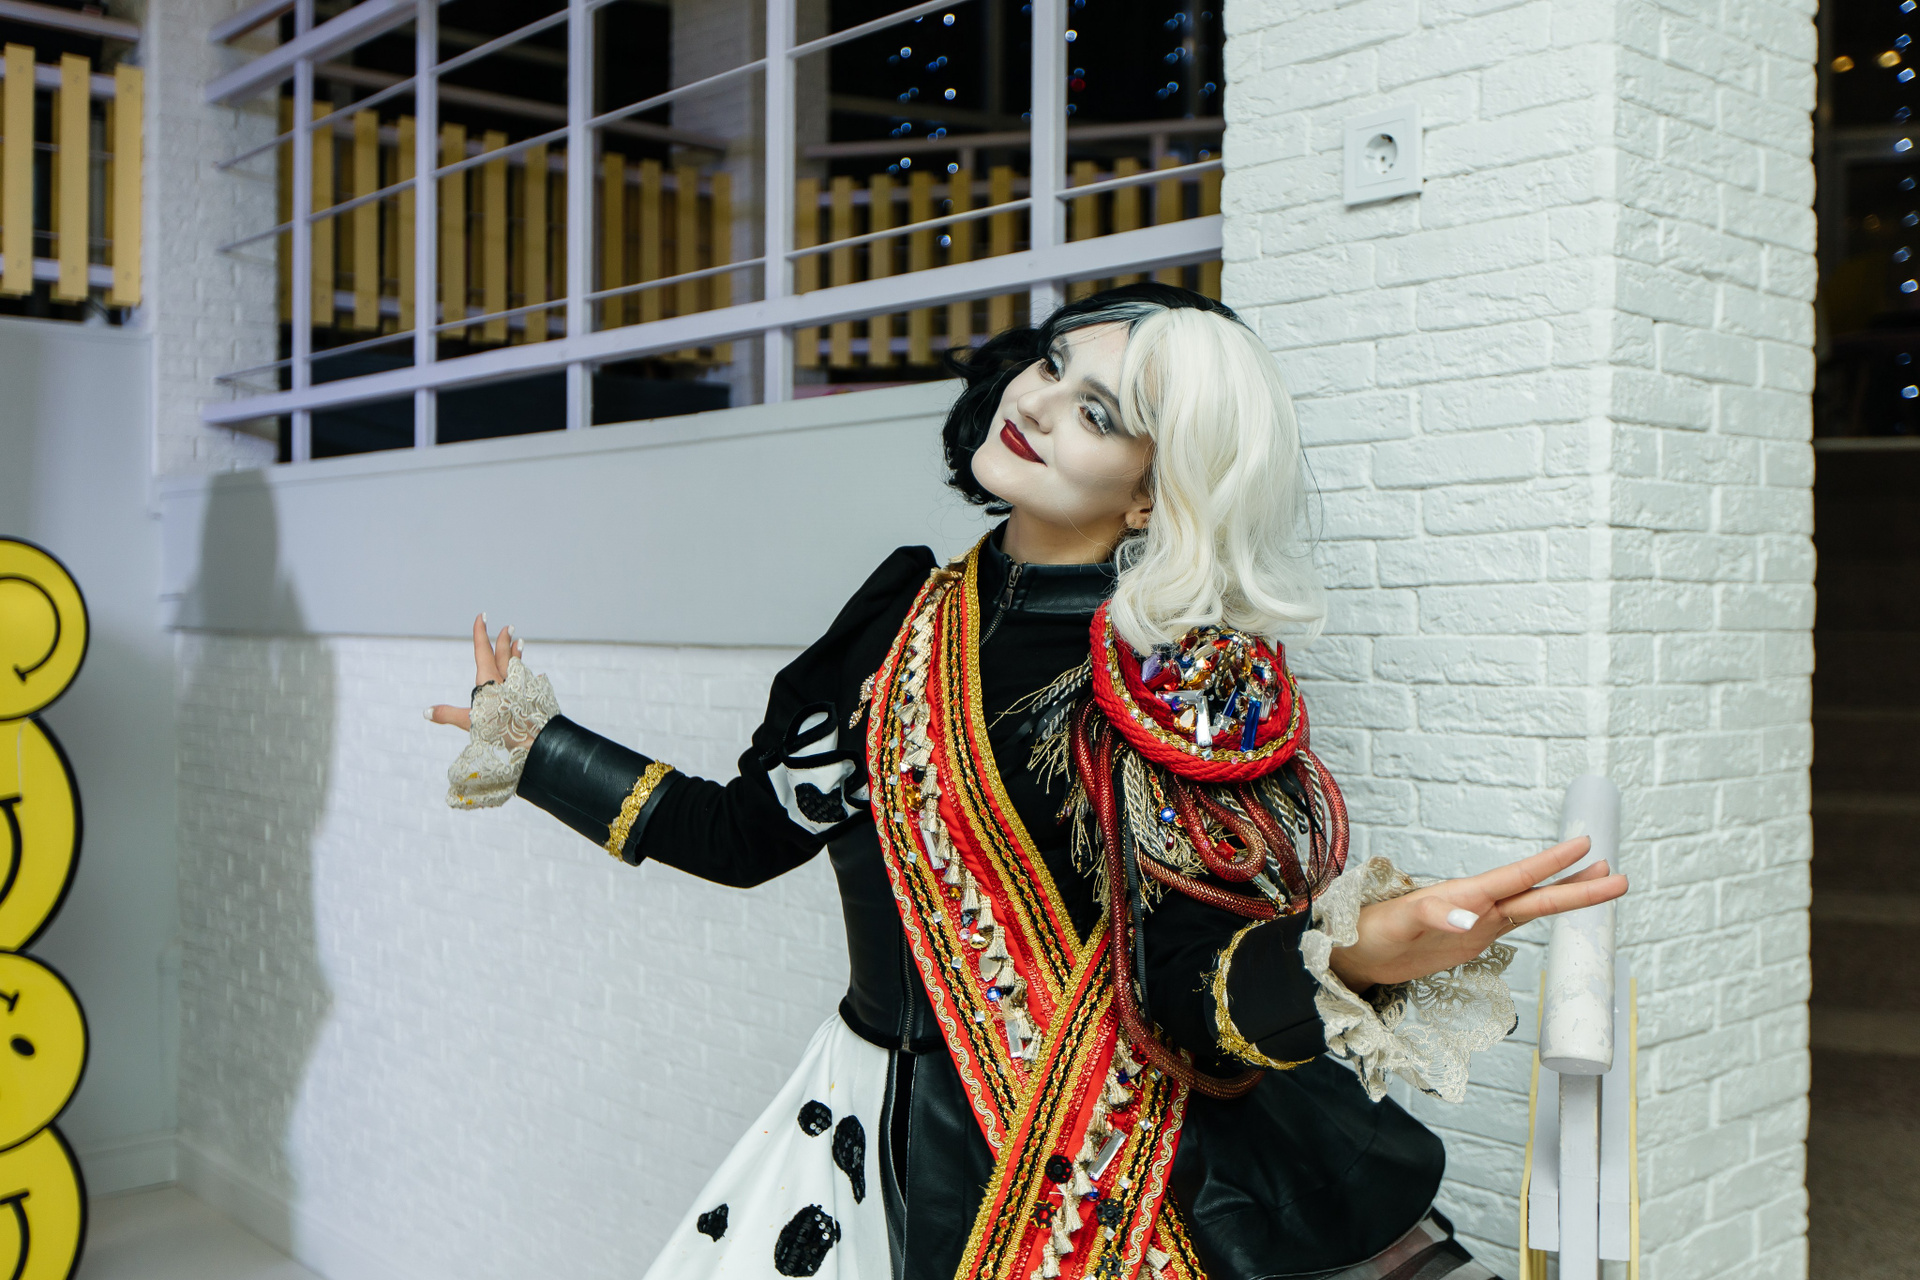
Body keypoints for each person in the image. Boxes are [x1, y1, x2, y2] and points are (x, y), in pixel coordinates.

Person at [429, 284, 1627, 1280]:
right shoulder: (898, 611)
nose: (1037, 403)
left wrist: (1351, 956)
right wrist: (537, 747)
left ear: (1156, 487)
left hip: (1097, 1154)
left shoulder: (1180, 670)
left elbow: (1184, 988)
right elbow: (741, 834)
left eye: (1096, 411)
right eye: (1052, 364)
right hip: (864, 1122)